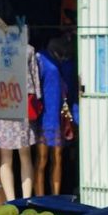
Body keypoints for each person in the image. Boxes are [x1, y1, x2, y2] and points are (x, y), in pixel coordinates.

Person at [0, 44, 40, 199]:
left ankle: (12, 200)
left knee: (6, 157)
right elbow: (35, 83)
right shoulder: (28, 49)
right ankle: (25, 199)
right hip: (21, 105)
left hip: (4, 105)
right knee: (25, 156)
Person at [34, 34, 73, 196]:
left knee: (58, 157)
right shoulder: (41, 59)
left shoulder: (67, 61)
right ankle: (39, 197)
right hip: (44, 115)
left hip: (60, 115)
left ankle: (55, 196)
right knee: (42, 159)